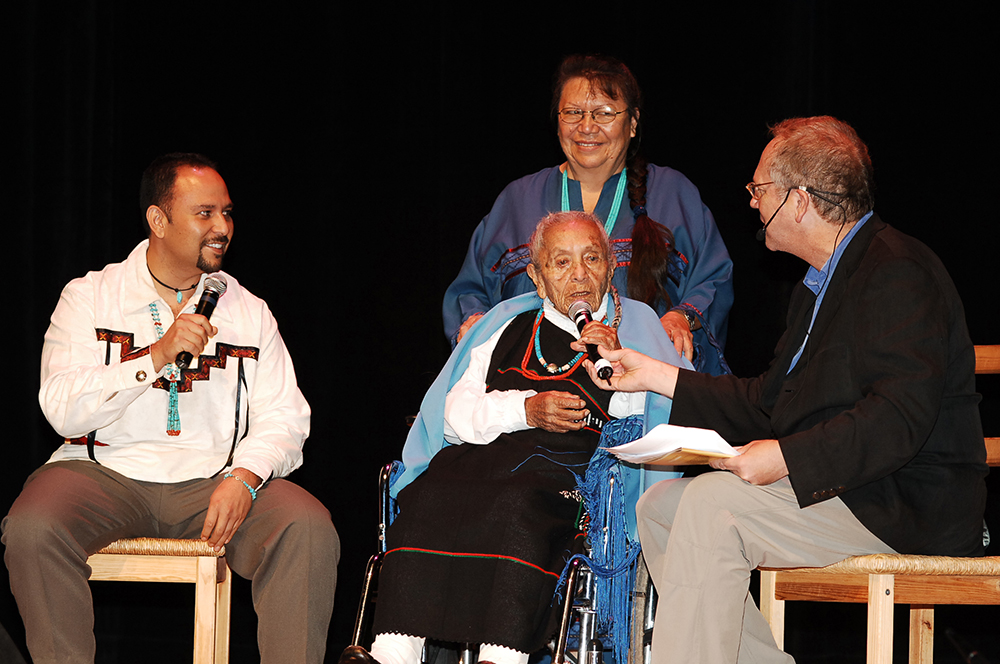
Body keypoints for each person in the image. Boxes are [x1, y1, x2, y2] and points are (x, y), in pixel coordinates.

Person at [583, 116, 987, 664]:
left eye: (759, 189)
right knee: (662, 507)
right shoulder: (818, 285)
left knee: (711, 506)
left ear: (799, 200)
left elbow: (898, 417)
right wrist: (653, 373)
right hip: (849, 487)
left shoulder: (898, 271)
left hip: (900, 504)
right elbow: (769, 404)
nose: (751, 202)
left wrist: (787, 458)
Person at [2, 153, 339, 664]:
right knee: (32, 527)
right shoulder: (91, 297)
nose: (222, 227)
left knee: (306, 526)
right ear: (158, 220)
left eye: (227, 213)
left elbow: (286, 417)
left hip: (213, 483)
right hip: (104, 474)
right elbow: (62, 409)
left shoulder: (248, 311)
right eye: (204, 214)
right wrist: (155, 356)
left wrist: (246, 476)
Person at [341, 211, 690, 664]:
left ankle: (501, 656)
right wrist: (525, 410)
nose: (580, 275)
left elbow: (657, 425)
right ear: (538, 278)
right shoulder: (502, 326)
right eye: (561, 263)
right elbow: (452, 415)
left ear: (610, 266)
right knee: (430, 493)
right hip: (483, 459)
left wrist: (618, 368)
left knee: (521, 501)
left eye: (591, 259)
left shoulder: (637, 331)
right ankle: (392, 652)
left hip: (568, 471)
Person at [443, 54, 733, 375]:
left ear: (633, 122)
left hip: (644, 385)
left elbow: (713, 279)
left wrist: (683, 316)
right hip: (531, 386)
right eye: (573, 113)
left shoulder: (673, 195)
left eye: (604, 113)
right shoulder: (517, 200)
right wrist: (473, 323)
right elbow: (470, 291)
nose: (586, 127)